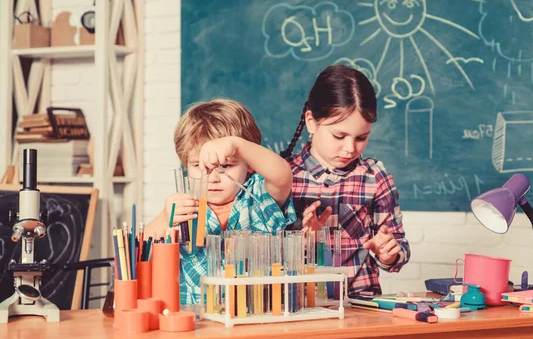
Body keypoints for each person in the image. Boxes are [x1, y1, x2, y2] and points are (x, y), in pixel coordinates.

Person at [146, 99, 296, 305]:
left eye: (225, 166)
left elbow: (282, 175)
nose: (213, 178)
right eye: (198, 165)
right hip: (194, 319)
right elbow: (140, 252)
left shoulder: (258, 197)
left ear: (250, 165)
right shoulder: (184, 206)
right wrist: (165, 218)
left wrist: (237, 145)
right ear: (185, 166)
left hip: (254, 316)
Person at [281, 65, 410, 296]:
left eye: (362, 137)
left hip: (361, 307)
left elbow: (399, 245)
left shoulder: (374, 176)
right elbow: (260, 252)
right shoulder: (283, 176)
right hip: (299, 307)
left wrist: (389, 253)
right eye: (339, 136)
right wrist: (299, 237)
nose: (350, 148)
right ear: (311, 121)